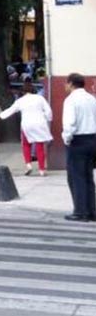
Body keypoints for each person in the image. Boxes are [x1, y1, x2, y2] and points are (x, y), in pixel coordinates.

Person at [61, 73, 96, 222]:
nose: (65, 86)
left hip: (78, 141)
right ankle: (92, 210)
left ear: (71, 84)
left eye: (66, 83)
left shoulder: (71, 100)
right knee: (88, 176)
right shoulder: (91, 99)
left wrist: (67, 139)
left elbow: (69, 124)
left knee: (76, 177)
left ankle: (80, 211)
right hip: (92, 139)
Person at [0, 81, 54, 176]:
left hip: (27, 124)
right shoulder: (40, 98)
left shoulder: (20, 101)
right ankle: (41, 169)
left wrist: (0, 116)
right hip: (39, 123)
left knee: (26, 144)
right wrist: (47, 118)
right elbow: (48, 111)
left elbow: (11, 110)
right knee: (39, 146)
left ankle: (28, 165)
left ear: (23, 91)